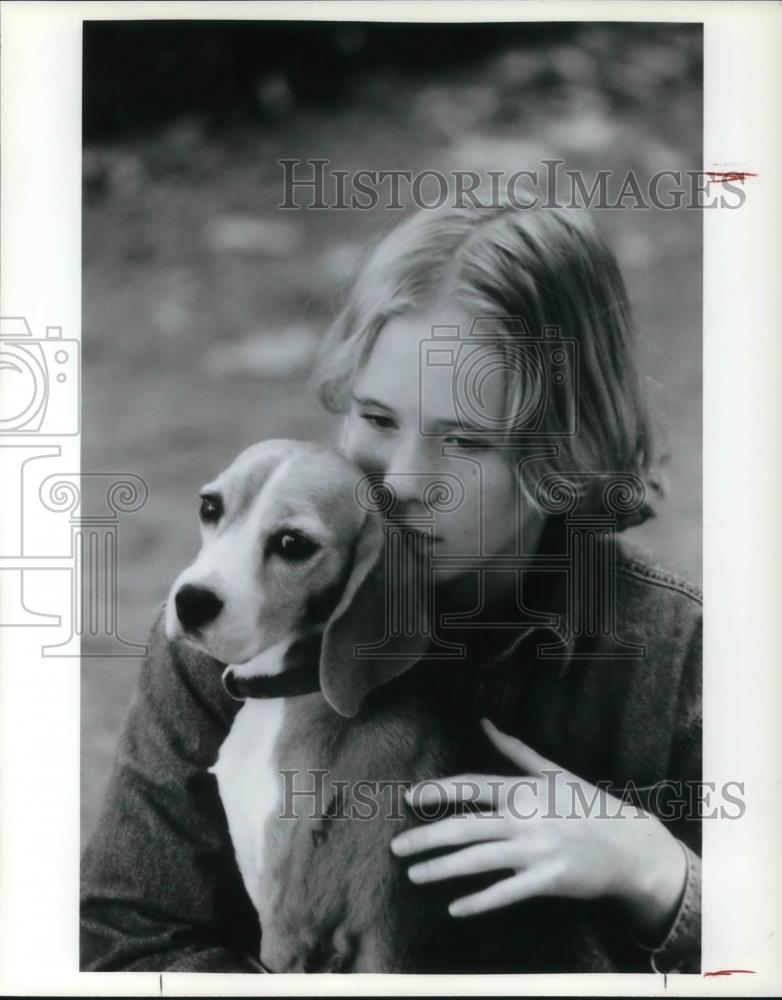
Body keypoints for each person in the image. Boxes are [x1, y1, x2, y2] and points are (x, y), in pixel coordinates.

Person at [81, 203, 701, 974]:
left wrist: (655, 871)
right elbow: (122, 935)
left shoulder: (672, 649)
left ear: (565, 453)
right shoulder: (232, 632)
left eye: (467, 440)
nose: (403, 481)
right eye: (377, 417)